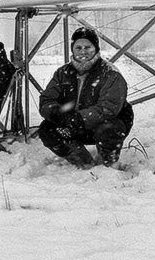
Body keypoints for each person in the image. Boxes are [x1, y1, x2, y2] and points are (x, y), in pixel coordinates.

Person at [38, 27, 134, 168]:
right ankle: (83, 161)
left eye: (88, 47)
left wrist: (78, 119)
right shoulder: (62, 72)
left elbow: (108, 108)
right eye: (78, 47)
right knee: (47, 129)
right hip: (74, 124)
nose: (83, 51)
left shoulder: (110, 73)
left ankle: (108, 162)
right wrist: (57, 114)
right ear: (73, 50)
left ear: (95, 48)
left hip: (102, 124)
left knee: (109, 129)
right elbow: (47, 99)